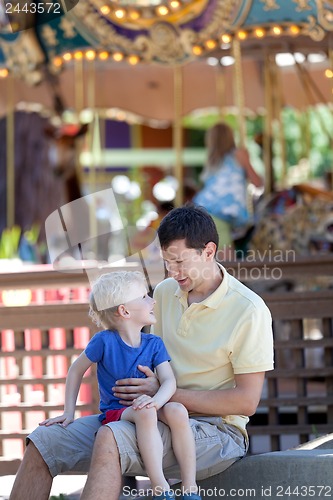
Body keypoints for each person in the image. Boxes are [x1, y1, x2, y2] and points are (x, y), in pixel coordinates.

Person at [10, 205, 274, 500]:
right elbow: (144, 356)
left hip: (216, 433)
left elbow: (246, 401)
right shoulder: (163, 293)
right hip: (149, 413)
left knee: (113, 438)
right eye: (166, 262)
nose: (173, 271)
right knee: (45, 442)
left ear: (209, 252)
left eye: (179, 261)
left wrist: (163, 392)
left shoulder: (248, 310)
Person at [193, 122, 263, 258]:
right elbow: (258, 183)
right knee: (228, 262)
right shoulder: (238, 155)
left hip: (203, 210)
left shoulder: (213, 161)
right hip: (219, 214)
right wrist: (247, 162)